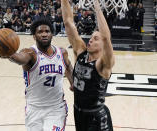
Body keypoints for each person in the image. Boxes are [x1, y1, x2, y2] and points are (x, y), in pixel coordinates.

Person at [0, 17, 73, 131]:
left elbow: (68, 66)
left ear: (51, 35)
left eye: (47, 31)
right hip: (34, 109)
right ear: (34, 36)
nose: (44, 34)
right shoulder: (30, 53)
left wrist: (73, 82)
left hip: (56, 109)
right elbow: (19, 58)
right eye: (40, 32)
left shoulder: (62, 53)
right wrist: (8, 54)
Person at [61, 0, 115, 131]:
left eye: (96, 39)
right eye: (91, 37)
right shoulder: (80, 52)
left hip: (96, 117)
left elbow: (106, 38)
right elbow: (68, 22)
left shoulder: (103, 64)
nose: (90, 39)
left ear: (103, 45)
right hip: (78, 112)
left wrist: (96, 5)